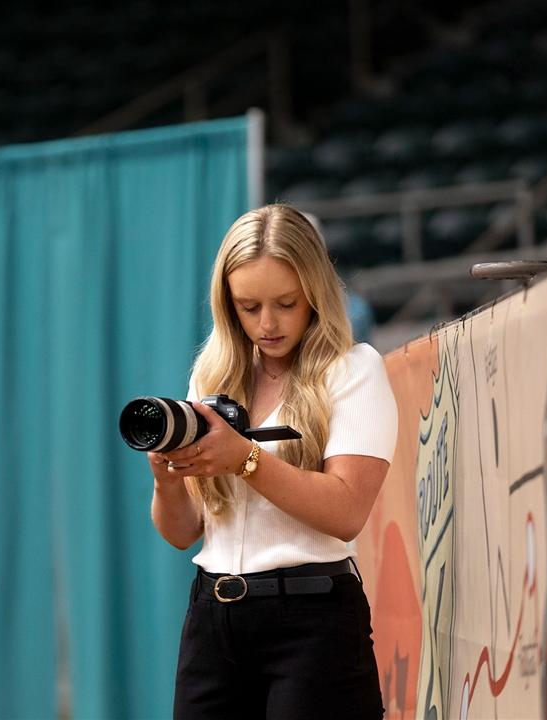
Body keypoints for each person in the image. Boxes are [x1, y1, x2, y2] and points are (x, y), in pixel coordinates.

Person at [147, 203, 397, 718]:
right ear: (227, 304)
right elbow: (183, 532)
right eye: (248, 306)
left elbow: (346, 510)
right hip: (211, 618)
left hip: (314, 618)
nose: (267, 323)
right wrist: (167, 480)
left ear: (314, 291)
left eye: (285, 302)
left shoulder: (353, 370)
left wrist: (245, 459)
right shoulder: (212, 375)